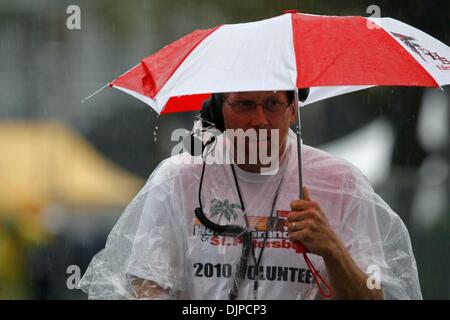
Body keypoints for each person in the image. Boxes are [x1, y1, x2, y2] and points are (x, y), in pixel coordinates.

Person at [79, 90, 422, 300]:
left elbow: (372, 298)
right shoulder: (179, 179)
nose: (259, 120)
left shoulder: (340, 182)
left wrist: (331, 249)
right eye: (244, 104)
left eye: (272, 103)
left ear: (293, 108)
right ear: (218, 110)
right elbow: (146, 290)